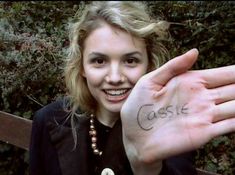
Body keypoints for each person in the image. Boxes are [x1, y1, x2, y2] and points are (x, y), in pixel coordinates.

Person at [29, 1, 235, 175]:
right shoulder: (48, 121)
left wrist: (147, 168)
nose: (115, 77)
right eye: (99, 61)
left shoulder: (168, 123)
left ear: (149, 65)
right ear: (82, 66)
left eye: (130, 60)